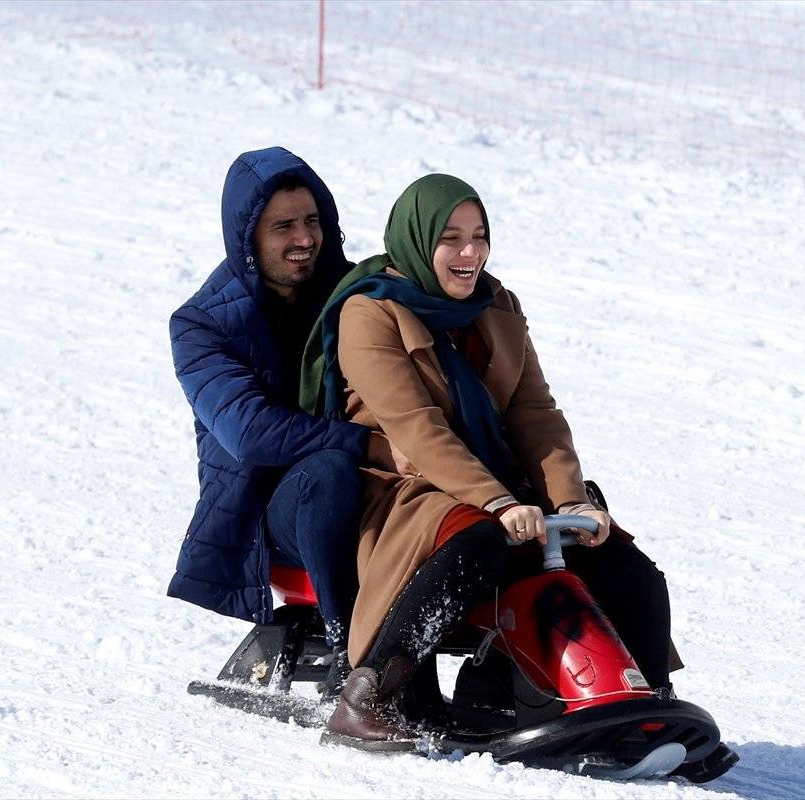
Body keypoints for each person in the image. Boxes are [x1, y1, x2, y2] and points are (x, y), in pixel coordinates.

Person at [299, 174, 675, 746]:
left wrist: (569, 499)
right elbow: (415, 428)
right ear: (419, 240)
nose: (469, 252)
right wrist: (498, 501)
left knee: (622, 562)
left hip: (496, 481)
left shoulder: (498, 306)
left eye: (479, 235)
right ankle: (369, 695)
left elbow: (535, 414)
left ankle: (645, 708)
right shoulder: (369, 312)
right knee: (479, 543)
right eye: (451, 237)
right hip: (405, 484)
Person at [169, 146, 390, 695]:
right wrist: (369, 445)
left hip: (372, 487)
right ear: (247, 236)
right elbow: (248, 432)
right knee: (329, 470)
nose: (305, 238)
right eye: (283, 226)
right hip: (268, 514)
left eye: (313, 220)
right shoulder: (201, 325)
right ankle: (354, 659)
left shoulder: (353, 294)